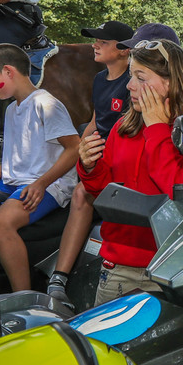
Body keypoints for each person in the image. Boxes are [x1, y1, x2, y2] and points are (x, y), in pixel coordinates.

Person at [77, 36, 183, 304]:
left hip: (176, 267)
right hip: (121, 268)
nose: (130, 85)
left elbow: (181, 195)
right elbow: (104, 195)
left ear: (171, 83)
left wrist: (157, 129)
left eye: (141, 77)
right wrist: (89, 167)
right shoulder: (124, 129)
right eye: (131, 75)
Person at [0, 44, 79, 292]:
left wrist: (41, 184)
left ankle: (24, 297)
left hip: (51, 184)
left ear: (9, 71)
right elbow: (26, 149)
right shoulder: (12, 109)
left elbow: (74, 148)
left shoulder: (45, 104)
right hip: (21, 180)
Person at [45, 19, 135, 299]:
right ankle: (59, 274)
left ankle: (59, 276)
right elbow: (96, 122)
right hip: (99, 155)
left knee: (82, 194)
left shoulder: (134, 83)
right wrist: (79, 152)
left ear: (123, 50)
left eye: (103, 42)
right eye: (96, 39)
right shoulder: (98, 79)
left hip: (121, 158)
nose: (94, 44)